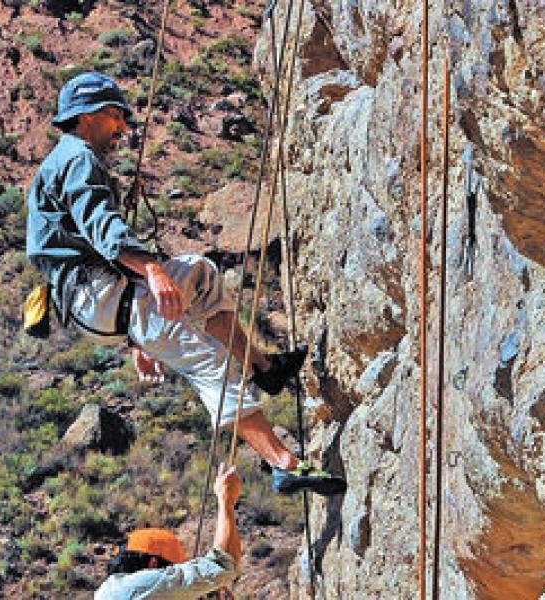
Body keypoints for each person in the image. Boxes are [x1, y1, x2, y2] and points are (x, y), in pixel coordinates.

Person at [26, 71, 345, 496]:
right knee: (208, 363)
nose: (123, 127)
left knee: (198, 274)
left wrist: (136, 337)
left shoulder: (66, 161)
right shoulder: (78, 160)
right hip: (100, 294)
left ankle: (263, 368)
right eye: (114, 116)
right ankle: (283, 463)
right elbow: (103, 230)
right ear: (85, 116)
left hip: (99, 298)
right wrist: (153, 272)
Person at [94, 464, 241, 599]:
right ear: (153, 563)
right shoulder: (145, 584)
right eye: (171, 571)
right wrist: (226, 500)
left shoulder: (108, 591)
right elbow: (222, 565)